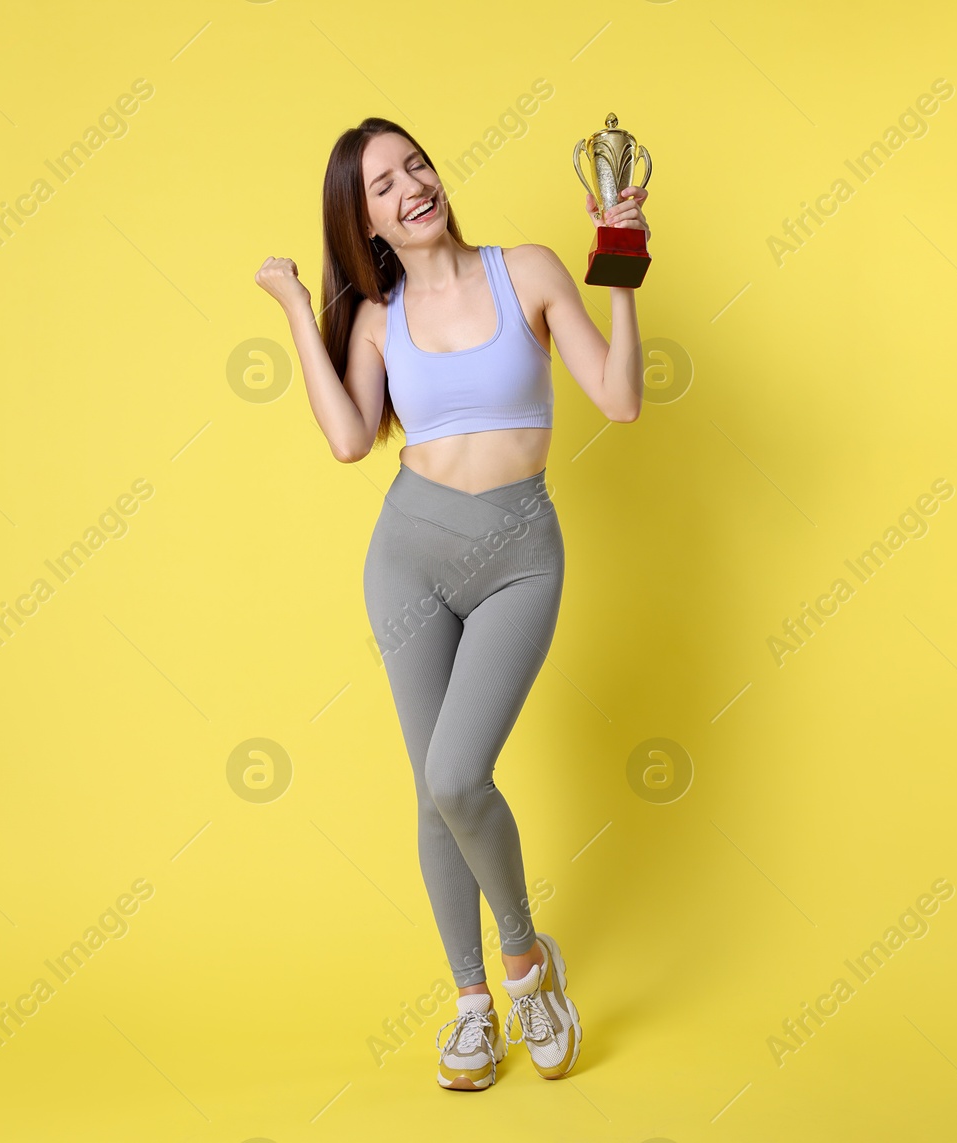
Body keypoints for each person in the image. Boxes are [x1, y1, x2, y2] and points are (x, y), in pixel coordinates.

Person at [254, 116, 649, 1090]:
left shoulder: (528, 270)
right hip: (408, 558)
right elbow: (350, 439)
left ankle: (527, 968)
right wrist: (299, 310)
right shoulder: (377, 319)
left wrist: (627, 266)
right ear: (366, 224)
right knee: (434, 788)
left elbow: (620, 398)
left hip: (520, 554)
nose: (410, 187)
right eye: (382, 186)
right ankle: (474, 1007)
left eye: (415, 165)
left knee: (459, 773)